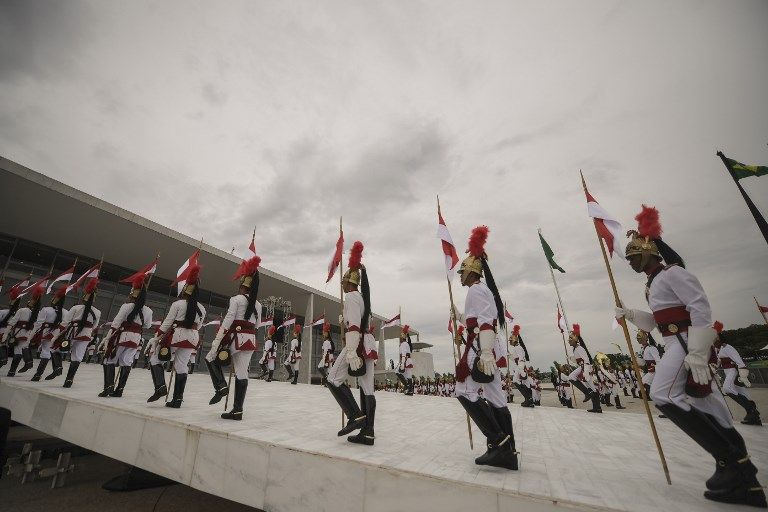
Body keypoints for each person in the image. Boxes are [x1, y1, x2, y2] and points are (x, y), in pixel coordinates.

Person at [616, 205, 765, 507]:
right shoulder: (652, 284)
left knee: (662, 395)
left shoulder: (673, 273)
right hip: (674, 342)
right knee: (708, 406)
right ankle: (743, 473)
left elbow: (700, 307)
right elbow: (657, 323)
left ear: (650, 250)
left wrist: (698, 352)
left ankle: (728, 460)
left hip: (685, 343)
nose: (630, 262)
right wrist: (630, 314)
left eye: (633, 256)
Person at [454, 226, 517, 470]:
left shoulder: (476, 289)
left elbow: (486, 323)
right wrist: (460, 317)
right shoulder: (481, 290)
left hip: (480, 348)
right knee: (495, 397)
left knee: (463, 391)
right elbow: (477, 320)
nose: (460, 274)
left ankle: (499, 442)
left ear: (472, 270)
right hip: (484, 344)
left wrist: (486, 353)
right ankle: (507, 453)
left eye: (462, 270)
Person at [325, 241, 378, 445]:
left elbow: (355, 326)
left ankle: (355, 415)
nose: (342, 284)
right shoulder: (362, 297)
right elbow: (357, 321)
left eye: (343, 281)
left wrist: (351, 351)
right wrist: (345, 321)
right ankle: (368, 431)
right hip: (367, 343)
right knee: (367, 389)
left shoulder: (351, 297)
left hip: (357, 344)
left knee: (332, 379)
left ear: (348, 281)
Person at [205, 254, 261, 420]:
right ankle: (237, 410)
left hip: (235, 338)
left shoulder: (236, 299)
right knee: (242, 373)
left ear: (242, 285)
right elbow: (257, 325)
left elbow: (228, 321)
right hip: (250, 340)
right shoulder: (258, 304)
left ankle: (221, 387)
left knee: (210, 357)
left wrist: (217, 340)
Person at [147, 263, 206, 408]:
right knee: (181, 366)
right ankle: (178, 399)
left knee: (155, 359)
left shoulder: (178, 304)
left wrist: (157, 337)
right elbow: (199, 326)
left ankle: (160, 387)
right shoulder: (202, 308)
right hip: (193, 337)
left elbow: (167, 323)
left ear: (185, 290)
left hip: (177, 335)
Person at [99, 272, 153, 397]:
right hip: (136, 338)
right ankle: (120, 390)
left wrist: (108, 338)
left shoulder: (126, 306)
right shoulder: (148, 311)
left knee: (109, 359)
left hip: (122, 335)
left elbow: (116, 323)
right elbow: (147, 326)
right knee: (127, 362)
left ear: (133, 294)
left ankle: (109, 387)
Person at [713, 321, 761, 426]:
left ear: (718, 338)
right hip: (727, 372)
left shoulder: (727, 347)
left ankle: (751, 409)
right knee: (743, 394)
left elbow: (739, 361)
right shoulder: (718, 349)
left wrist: (743, 375)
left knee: (727, 389)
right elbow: (718, 362)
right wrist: (714, 368)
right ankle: (753, 416)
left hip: (733, 371)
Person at [59, 279, 102, 387]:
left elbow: (65, 322)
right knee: (77, 357)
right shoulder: (97, 312)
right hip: (86, 335)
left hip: (72, 332)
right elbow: (94, 326)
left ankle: (57, 367)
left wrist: (59, 334)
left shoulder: (76, 308)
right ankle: (69, 380)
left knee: (56, 349)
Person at [3, 282, 45, 376]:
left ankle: (12, 371)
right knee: (22, 349)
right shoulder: (37, 313)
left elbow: (13, 321)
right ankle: (27, 363)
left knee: (17, 352)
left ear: (30, 302)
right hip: (28, 334)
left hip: (18, 333)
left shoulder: (22, 310)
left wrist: (6, 333)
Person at [29, 287, 68, 381]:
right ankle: (55, 368)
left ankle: (36, 372)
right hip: (57, 334)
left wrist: (32, 335)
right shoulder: (66, 312)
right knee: (49, 351)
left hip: (44, 332)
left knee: (42, 351)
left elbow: (38, 323)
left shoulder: (46, 309)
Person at [566, 325, 602, 413]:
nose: (568, 341)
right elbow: (578, 360)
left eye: (570, 339)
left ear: (574, 340)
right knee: (572, 378)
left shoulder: (579, 348)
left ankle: (592, 401)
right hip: (582, 367)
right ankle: (595, 405)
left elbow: (586, 360)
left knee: (592, 388)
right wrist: (571, 358)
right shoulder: (575, 349)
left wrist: (584, 371)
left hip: (585, 368)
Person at [397, 325, 415, 395]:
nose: (400, 339)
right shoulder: (406, 343)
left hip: (405, 360)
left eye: (400, 337)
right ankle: (410, 390)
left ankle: (407, 386)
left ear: (402, 338)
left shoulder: (403, 344)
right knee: (408, 375)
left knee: (397, 372)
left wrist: (402, 363)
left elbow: (404, 354)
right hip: (408, 360)